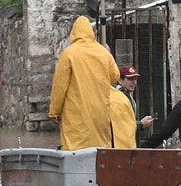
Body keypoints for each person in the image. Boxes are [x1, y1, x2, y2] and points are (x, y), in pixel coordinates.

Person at [48, 16, 120, 150]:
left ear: (74, 33)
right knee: (99, 149)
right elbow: (115, 76)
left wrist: (54, 112)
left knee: (75, 149)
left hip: (76, 114)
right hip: (100, 113)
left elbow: (60, 86)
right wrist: (108, 54)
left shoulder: (69, 53)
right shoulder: (103, 53)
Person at [114, 65, 155, 145]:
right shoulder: (119, 96)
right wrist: (141, 124)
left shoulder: (125, 95)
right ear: (120, 80)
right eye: (130, 79)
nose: (134, 82)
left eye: (135, 79)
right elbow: (121, 124)